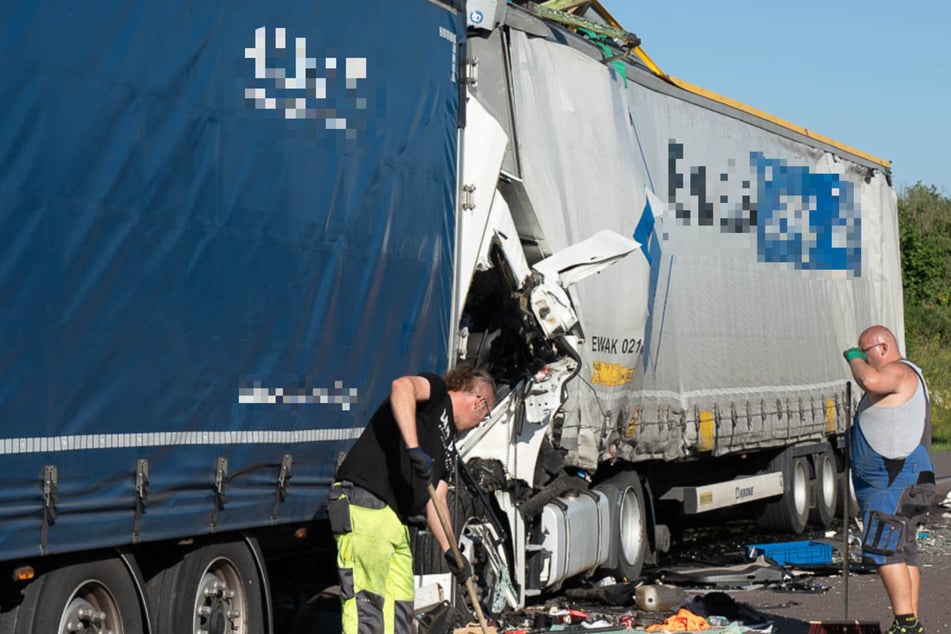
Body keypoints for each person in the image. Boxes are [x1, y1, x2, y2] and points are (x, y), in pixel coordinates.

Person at [327, 366, 497, 634]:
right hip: (368, 502)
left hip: (397, 522)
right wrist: (413, 447)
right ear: (479, 403)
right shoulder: (437, 395)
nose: (479, 423)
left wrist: (451, 551)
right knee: (367, 603)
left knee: (399, 607)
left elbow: (438, 501)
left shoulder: (450, 446)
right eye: (484, 417)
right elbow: (401, 387)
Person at [844, 325, 936, 634]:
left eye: (866, 352)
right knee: (904, 552)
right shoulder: (906, 376)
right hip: (905, 479)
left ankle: (906, 623)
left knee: (886, 550)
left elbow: (868, 379)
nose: (864, 360)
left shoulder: (898, 371)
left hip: (893, 480)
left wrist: (853, 358)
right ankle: (910, 621)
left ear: (881, 348)